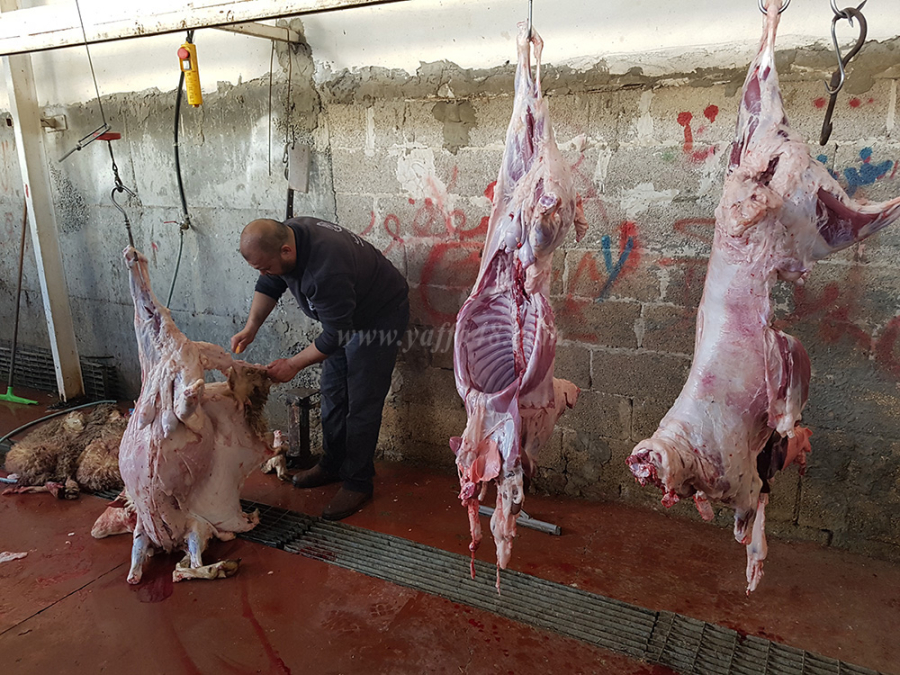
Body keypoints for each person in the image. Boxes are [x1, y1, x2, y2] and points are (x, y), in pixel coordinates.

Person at [232, 217, 409, 520]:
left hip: (378, 318)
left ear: (286, 251)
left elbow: (336, 336)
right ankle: (333, 464)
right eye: (258, 268)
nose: (263, 272)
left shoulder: (326, 270)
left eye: (266, 266)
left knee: (361, 401)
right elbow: (271, 282)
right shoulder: (285, 239)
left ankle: (358, 482)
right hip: (344, 318)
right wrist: (251, 327)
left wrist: (293, 365)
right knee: (333, 392)